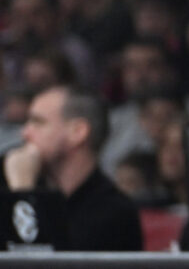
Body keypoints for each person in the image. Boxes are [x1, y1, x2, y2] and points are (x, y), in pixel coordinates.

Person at [1, 85, 142, 250]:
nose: (25, 133)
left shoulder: (114, 213)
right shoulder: (10, 184)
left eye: (38, 122)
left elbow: (36, 263)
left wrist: (23, 191)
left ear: (78, 132)